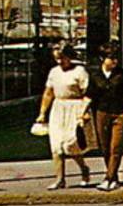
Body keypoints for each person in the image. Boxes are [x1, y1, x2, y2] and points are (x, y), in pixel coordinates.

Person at [34, 44, 94, 190]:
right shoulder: (54, 72)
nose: (60, 62)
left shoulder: (79, 71)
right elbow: (48, 93)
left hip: (75, 108)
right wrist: (42, 113)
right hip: (58, 108)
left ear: (69, 56)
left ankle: (84, 169)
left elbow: (89, 93)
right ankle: (60, 179)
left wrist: (84, 112)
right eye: (57, 59)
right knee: (56, 146)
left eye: (62, 58)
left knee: (70, 144)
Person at [88, 46, 123, 192]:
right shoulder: (95, 76)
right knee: (105, 147)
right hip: (102, 113)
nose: (115, 61)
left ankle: (108, 178)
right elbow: (89, 95)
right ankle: (114, 177)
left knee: (115, 147)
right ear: (102, 59)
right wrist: (81, 113)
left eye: (116, 58)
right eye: (111, 58)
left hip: (121, 113)